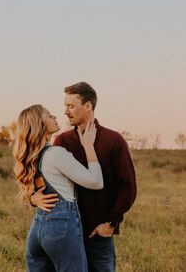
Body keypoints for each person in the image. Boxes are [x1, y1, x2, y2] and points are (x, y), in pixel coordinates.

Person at [31, 82, 137, 272]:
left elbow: (128, 186)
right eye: (65, 106)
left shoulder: (113, 140)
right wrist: (33, 197)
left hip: (98, 232)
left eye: (71, 106)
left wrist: (111, 223)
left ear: (88, 106)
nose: (65, 111)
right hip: (67, 233)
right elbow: (44, 177)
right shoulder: (61, 141)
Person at [13, 104, 104, 272]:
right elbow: (96, 182)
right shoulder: (55, 154)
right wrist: (89, 145)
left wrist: (32, 198)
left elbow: (33, 188)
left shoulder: (31, 157)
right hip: (60, 230)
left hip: (37, 230)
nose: (55, 117)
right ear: (39, 124)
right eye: (49, 116)